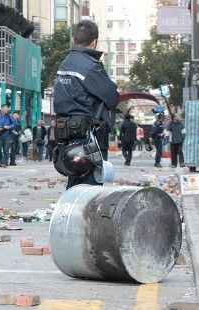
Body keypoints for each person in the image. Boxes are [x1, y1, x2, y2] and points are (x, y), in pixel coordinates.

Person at [52, 19, 119, 188]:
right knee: (91, 187)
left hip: (68, 135)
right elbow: (112, 97)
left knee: (75, 181)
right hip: (90, 137)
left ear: (74, 39)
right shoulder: (89, 66)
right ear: (94, 42)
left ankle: (70, 213)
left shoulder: (65, 63)